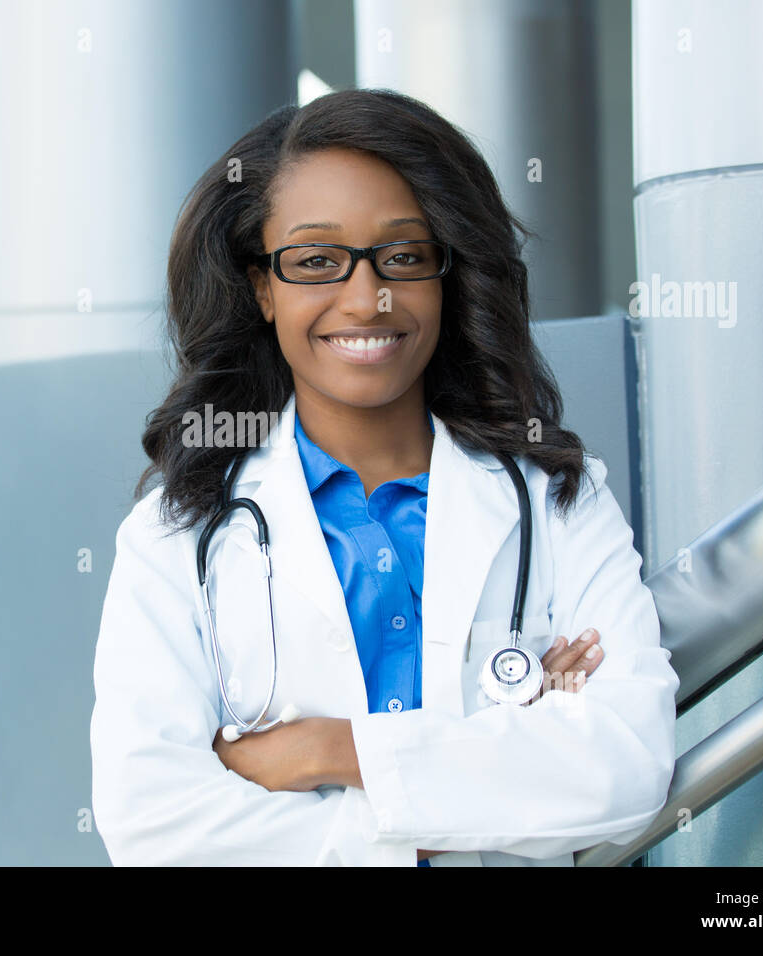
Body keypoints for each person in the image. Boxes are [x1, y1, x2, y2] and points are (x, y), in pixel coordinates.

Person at [89, 88, 679, 866]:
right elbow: (154, 822)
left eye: (403, 256)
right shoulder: (178, 535)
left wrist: (329, 753)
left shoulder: (558, 499)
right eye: (316, 262)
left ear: (447, 272)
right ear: (261, 286)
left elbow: (628, 765)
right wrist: (494, 764)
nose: (367, 300)